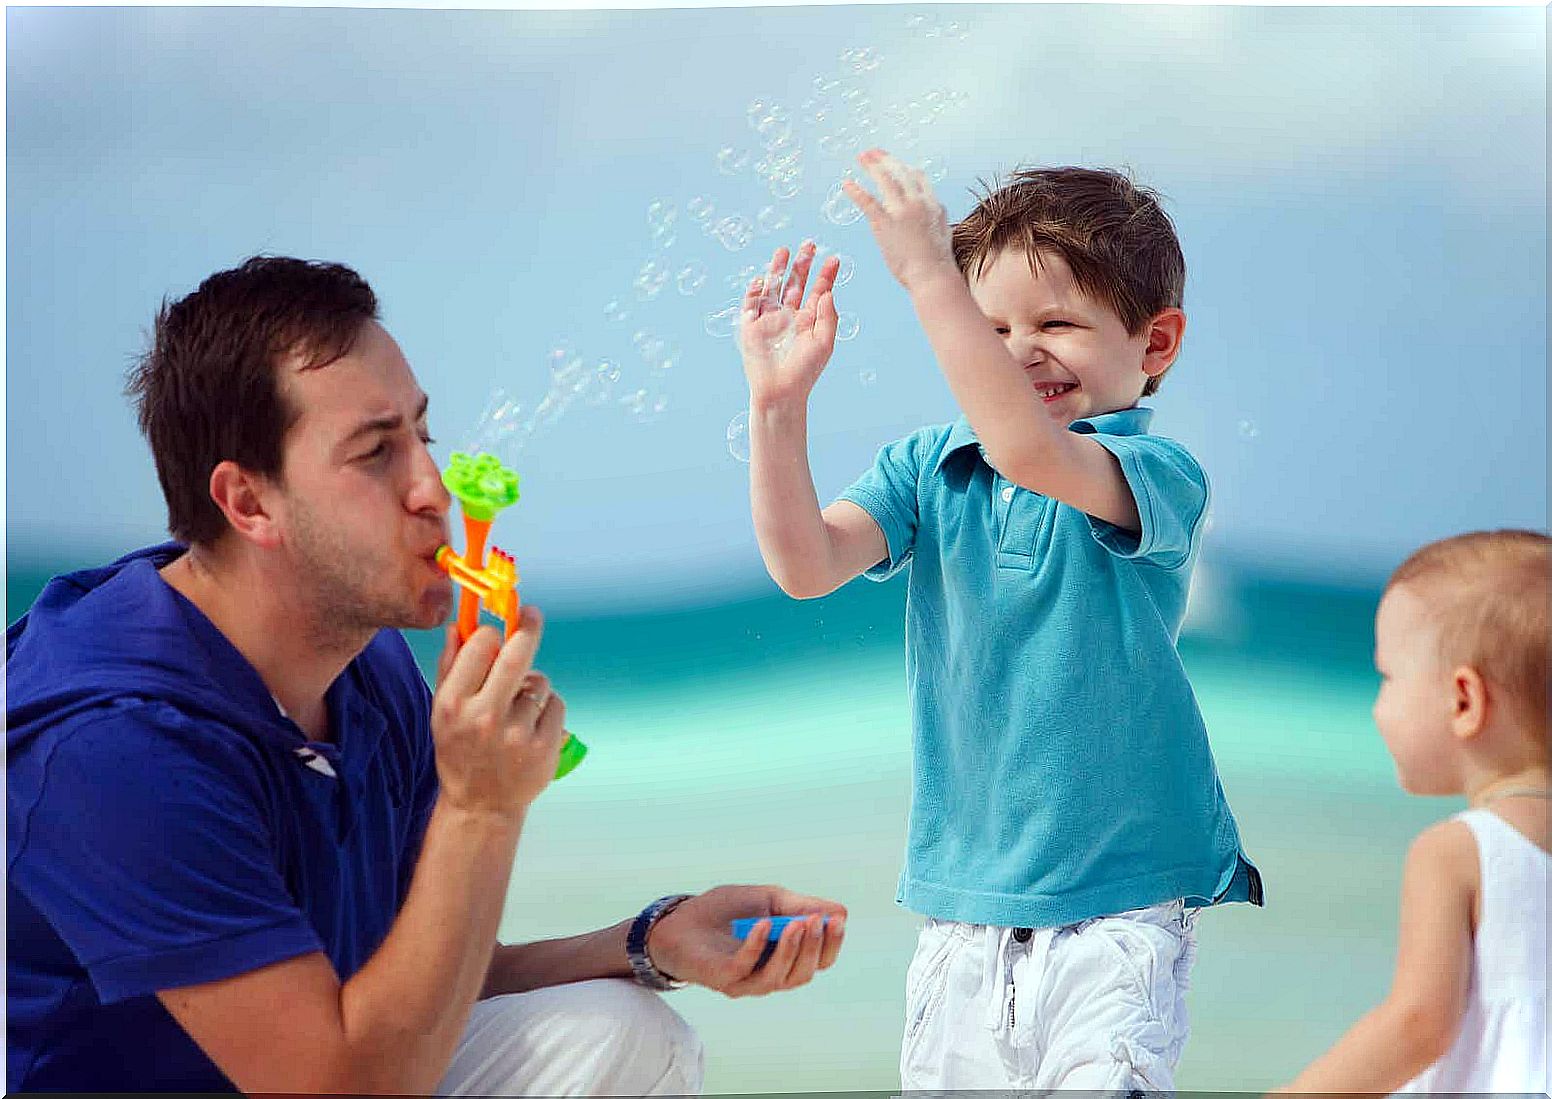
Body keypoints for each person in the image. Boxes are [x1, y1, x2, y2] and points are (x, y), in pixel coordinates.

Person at [6, 255, 848, 1095]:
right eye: (376, 454)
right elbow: (342, 1084)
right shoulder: (115, 748)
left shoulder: (363, 665)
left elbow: (409, 988)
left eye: (422, 434)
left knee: (622, 1031)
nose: (432, 488)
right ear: (249, 503)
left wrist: (648, 939)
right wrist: (481, 807)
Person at [737, 148, 1260, 1090]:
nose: (1019, 350)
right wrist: (778, 408)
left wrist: (930, 273)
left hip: (1122, 901)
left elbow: (1027, 446)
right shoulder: (932, 466)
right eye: (992, 328)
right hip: (963, 900)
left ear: (1157, 342)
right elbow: (806, 565)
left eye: (1057, 322)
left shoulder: (1155, 472)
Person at [1278, 530, 1549, 1093]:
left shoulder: (1457, 851)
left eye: (1388, 677)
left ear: (1463, 701)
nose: (1379, 705)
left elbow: (1418, 1025)